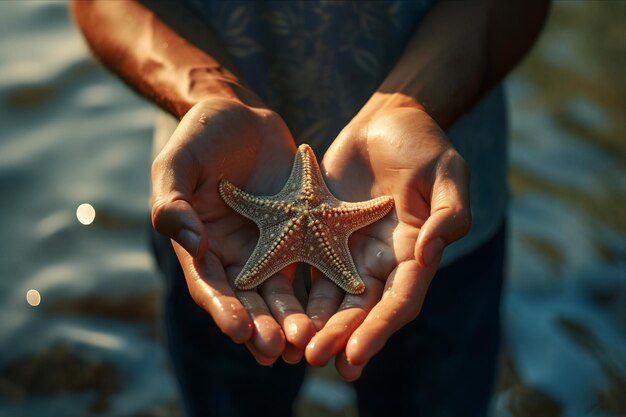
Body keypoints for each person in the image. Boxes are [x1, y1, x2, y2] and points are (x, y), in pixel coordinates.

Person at [72, 1, 549, 416]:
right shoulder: (228, 209)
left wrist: (411, 106)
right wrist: (210, 92)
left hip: (419, 223)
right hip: (211, 208)